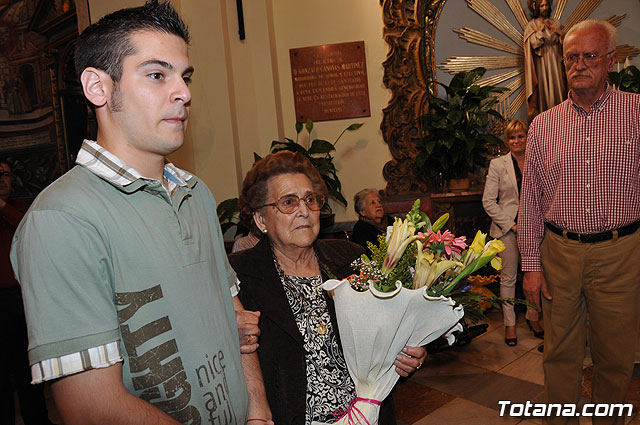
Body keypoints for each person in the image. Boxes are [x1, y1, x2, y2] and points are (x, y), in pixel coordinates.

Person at [10, 2, 270, 424]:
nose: (184, 92)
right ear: (98, 87)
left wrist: (258, 412)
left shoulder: (196, 194)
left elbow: (236, 320)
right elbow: (90, 407)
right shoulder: (61, 219)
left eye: (185, 76)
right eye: (157, 75)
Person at [228, 151, 427, 425]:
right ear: (261, 220)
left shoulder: (351, 257)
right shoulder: (240, 277)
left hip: (367, 416)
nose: (304, 211)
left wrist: (410, 353)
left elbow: (389, 333)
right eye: (288, 202)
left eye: (310, 200)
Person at [518, 19, 640, 425]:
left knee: (615, 357)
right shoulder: (543, 125)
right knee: (558, 355)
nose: (579, 64)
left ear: (611, 61)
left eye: (590, 56)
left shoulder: (636, 113)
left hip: (621, 252)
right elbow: (531, 200)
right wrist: (531, 266)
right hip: (560, 254)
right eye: (571, 57)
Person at [0, 161, 54, 425]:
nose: (2, 179)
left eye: (7, 174)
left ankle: (37, 420)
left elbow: (27, 230)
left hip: (21, 299)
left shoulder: (21, 208)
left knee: (28, 365)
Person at [482, 121, 543, 347]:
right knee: (508, 278)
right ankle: (510, 324)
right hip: (507, 230)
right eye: (512, 137)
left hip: (535, 228)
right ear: (506, 141)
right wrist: (512, 225)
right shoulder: (498, 165)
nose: (516, 141)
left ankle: (533, 318)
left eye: (520, 136)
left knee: (535, 274)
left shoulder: (538, 160)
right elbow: (488, 201)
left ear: (528, 137)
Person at [523, 0, 566, 122]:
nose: (545, 8)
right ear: (537, 8)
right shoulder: (532, 25)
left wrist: (559, 32)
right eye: (542, 5)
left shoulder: (556, 23)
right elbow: (534, 43)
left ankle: (562, 118)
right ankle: (546, 121)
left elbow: (567, 43)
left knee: (559, 88)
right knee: (544, 92)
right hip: (541, 63)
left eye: (546, 5)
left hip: (556, 61)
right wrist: (540, 30)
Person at [350, 188, 391, 253]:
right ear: (363, 212)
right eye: (373, 203)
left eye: (379, 201)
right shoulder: (361, 229)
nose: (378, 205)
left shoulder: (391, 221)